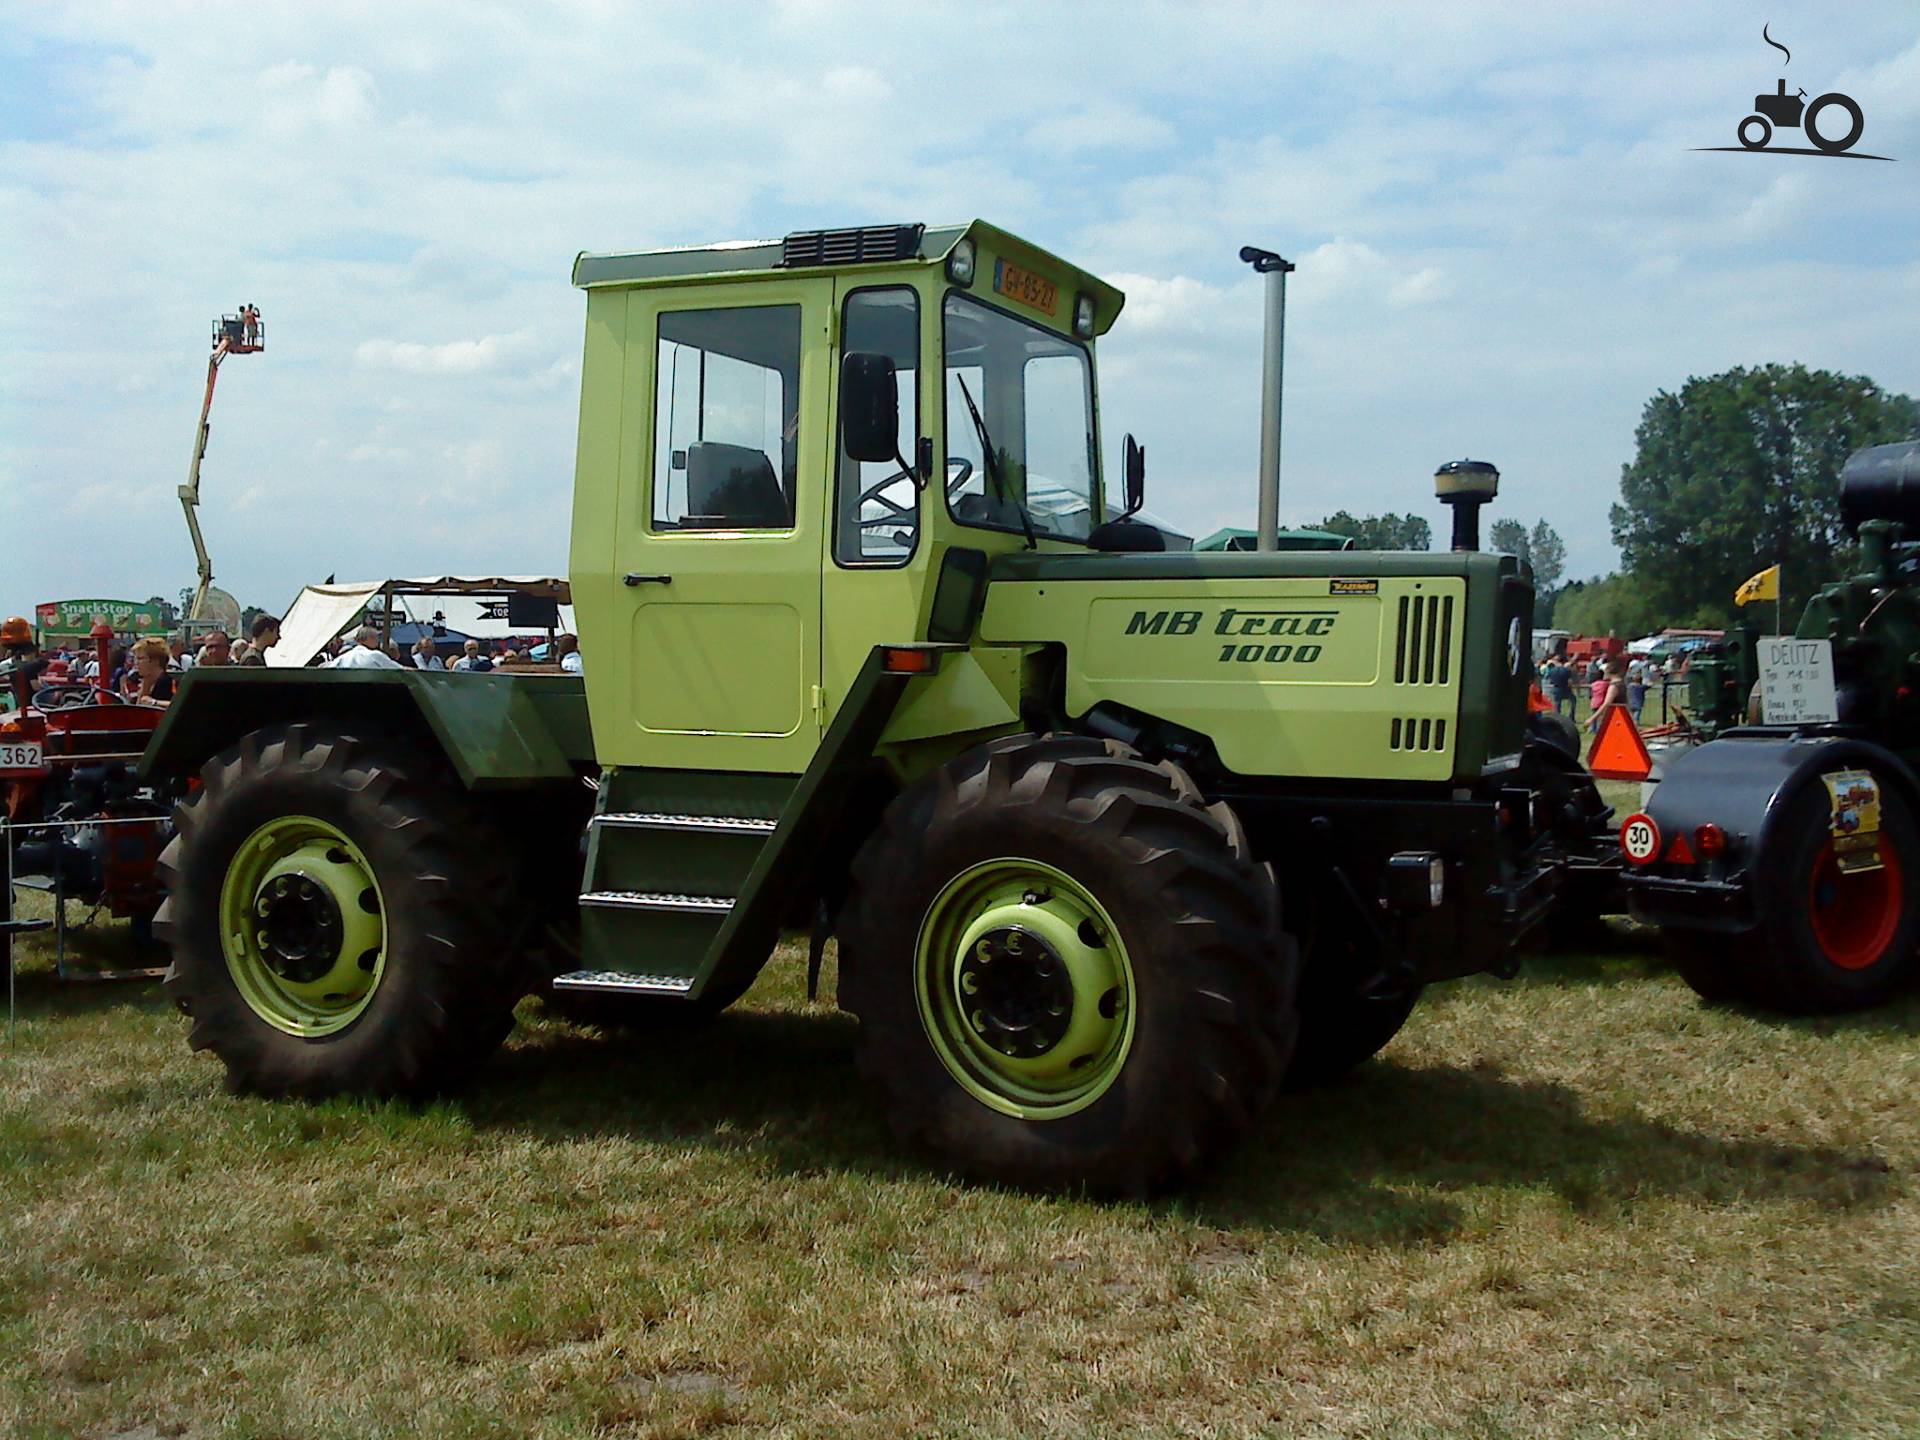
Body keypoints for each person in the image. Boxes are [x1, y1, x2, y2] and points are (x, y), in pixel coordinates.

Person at [325, 626, 404, 669]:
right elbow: (400, 669)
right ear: (370, 638)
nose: (377, 641)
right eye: (376, 637)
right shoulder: (375, 655)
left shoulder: (342, 658)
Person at [130, 637, 177, 706]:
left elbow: (178, 705)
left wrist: (154, 702)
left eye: (140, 658)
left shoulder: (167, 682)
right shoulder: (146, 682)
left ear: (155, 661)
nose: (136, 663)